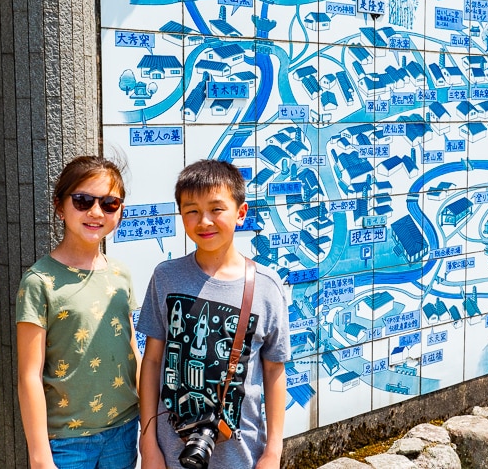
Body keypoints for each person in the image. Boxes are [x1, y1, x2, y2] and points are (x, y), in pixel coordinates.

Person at [138, 159, 290, 469]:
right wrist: (148, 443)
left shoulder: (266, 285)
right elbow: (152, 361)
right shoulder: (166, 277)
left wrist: (273, 452)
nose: (204, 221)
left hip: (242, 455)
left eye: (216, 209)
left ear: (241, 213)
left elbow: (274, 371)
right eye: (192, 211)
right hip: (170, 452)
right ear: (181, 216)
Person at [16, 156, 140, 469]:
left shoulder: (121, 274)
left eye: (110, 203)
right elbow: (29, 375)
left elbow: (132, 352)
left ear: (120, 210)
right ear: (60, 206)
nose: (96, 212)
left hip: (123, 431)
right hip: (67, 441)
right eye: (83, 200)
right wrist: (39, 455)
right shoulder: (39, 281)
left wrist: (150, 426)